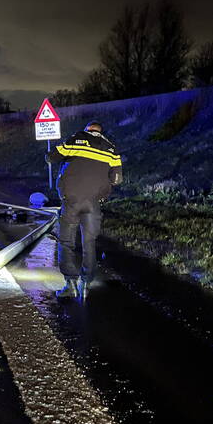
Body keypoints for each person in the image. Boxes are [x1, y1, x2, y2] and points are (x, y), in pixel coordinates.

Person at [46, 121, 123, 299]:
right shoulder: (111, 149)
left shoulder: (77, 139)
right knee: (90, 242)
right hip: (94, 202)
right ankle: (86, 283)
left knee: (66, 241)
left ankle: (70, 284)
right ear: (101, 132)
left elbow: (52, 156)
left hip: (71, 200)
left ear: (87, 130)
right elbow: (117, 179)